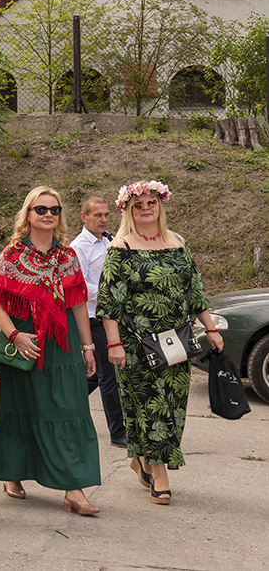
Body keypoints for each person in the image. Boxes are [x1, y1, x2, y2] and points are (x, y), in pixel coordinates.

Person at [96, 180, 223, 505]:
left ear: (160, 204)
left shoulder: (177, 243)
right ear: (128, 209)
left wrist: (210, 329)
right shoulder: (120, 248)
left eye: (151, 202)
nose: (146, 208)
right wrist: (113, 344)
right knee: (148, 407)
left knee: (172, 409)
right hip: (136, 344)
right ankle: (160, 475)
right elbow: (109, 301)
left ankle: (142, 458)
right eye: (138, 205)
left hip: (177, 342)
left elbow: (195, 290)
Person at [0, 186, 101, 516]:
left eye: (55, 209)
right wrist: (15, 335)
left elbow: (78, 304)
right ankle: (11, 473)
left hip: (62, 346)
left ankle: (74, 490)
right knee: (20, 411)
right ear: (28, 214)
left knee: (68, 412)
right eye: (41, 209)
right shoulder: (12, 255)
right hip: (24, 346)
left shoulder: (68, 257)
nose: (48, 214)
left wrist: (88, 346)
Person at [70, 196, 127, 448]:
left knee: (94, 375)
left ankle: (67, 408)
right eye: (97, 215)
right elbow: (80, 287)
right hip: (93, 318)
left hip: (113, 316)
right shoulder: (78, 247)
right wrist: (114, 291)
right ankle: (118, 433)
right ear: (84, 217)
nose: (103, 219)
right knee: (109, 376)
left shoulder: (110, 240)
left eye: (106, 214)